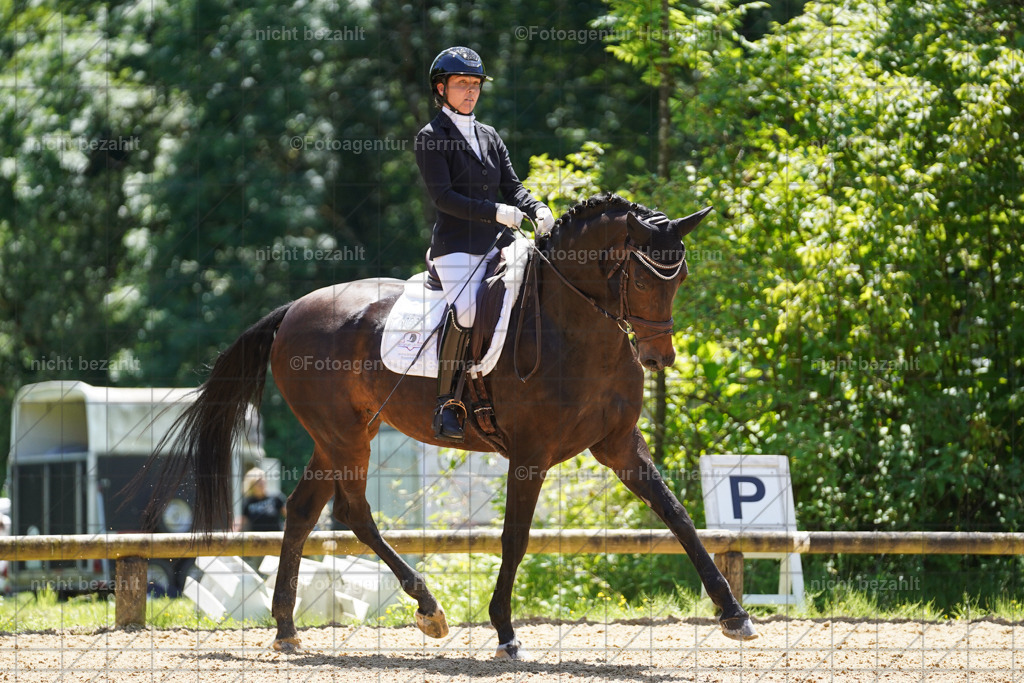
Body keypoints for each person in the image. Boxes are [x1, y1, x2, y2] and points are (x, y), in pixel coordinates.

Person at [415, 46, 555, 442]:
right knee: (468, 311)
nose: (471, 92)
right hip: (457, 247)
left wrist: (536, 206)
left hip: (500, 243)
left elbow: (512, 186)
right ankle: (447, 402)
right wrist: (495, 212)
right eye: (462, 84)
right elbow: (444, 198)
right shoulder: (431, 138)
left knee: (536, 291)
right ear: (441, 88)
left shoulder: (488, 135)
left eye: (475, 85)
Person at [240, 467, 286, 532]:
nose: (261, 483)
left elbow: (289, 515)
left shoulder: (276, 497)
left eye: (262, 480)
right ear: (251, 485)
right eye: (258, 481)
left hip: (277, 538)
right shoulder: (248, 502)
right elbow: (242, 522)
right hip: (257, 540)